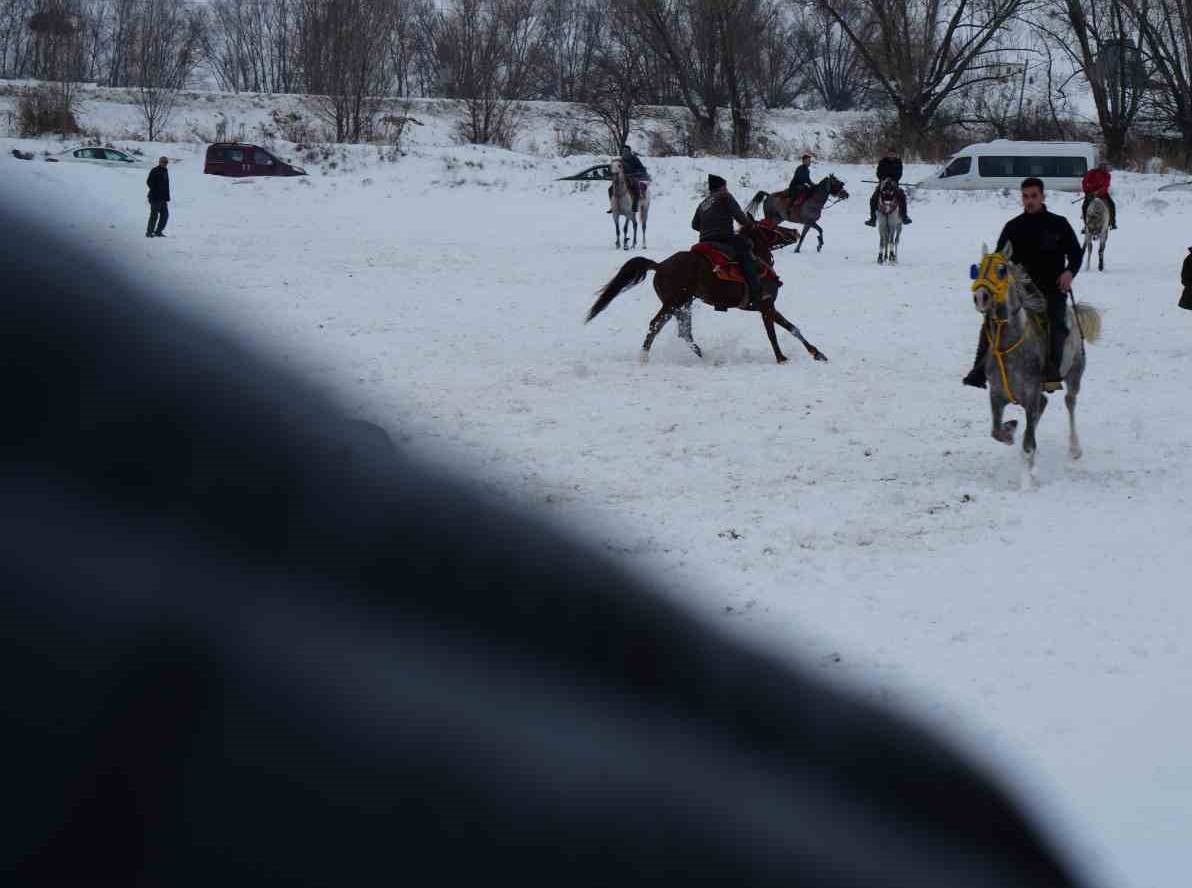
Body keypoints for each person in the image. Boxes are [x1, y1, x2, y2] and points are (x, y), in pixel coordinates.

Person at [0, 201, 1089, 888]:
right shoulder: (719, 224)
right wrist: (729, 248)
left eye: (754, 233)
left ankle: (802, 329)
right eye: (754, 229)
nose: (752, 235)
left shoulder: (1018, 231)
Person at [963, 177, 1083, 390]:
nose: (1029, 201)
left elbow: (1075, 254)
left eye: (1034, 196)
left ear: (1043, 196)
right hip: (1018, 288)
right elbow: (1000, 259)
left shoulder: (1059, 224)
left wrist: (1069, 272)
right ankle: (979, 370)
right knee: (992, 319)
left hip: (1052, 286)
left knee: (1057, 322)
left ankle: (1051, 372)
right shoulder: (1013, 227)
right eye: (1026, 196)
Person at [692, 174, 766, 309]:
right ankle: (756, 293)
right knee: (745, 249)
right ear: (722, 187)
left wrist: (708, 228)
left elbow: (694, 225)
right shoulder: (725, 196)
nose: (726, 188)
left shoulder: (702, 204)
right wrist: (750, 225)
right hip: (724, 237)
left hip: (704, 240)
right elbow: (740, 217)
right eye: (726, 186)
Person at [866, 147, 912, 226]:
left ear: (895, 154)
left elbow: (900, 173)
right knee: (874, 198)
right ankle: (872, 219)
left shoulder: (898, 162)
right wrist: (884, 179)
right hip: (883, 183)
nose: (891, 155)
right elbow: (878, 173)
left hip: (894, 183)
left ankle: (904, 216)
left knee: (902, 196)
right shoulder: (882, 162)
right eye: (890, 153)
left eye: (893, 154)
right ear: (887, 154)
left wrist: (893, 180)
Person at [1079, 164, 1116, 230]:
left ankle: (1112, 223)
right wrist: (1087, 191)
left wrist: (1098, 192)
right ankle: (1086, 225)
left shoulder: (1107, 175)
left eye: (1105, 167)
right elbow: (1084, 182)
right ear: (1099, 167)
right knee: (1084, 206)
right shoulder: (1092, 172)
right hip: (1090, 193)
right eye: (1102, 166)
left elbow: (1106, 186)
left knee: (1112, 204)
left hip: (1102, 193)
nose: (1104, 168)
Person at [145, 155, 171, 238]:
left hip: (163, 198)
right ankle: (149, 232)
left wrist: (166, 197)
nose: (165, 163)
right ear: (159, 162)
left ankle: (158, 232)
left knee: (165, 215)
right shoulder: (155, 170)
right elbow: (149, 182)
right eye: (163, 162)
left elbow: (165, 185)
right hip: (155, 197)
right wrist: (156, 190)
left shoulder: (165, 170)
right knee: (154, 215)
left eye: (166, 162)